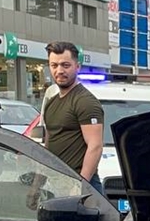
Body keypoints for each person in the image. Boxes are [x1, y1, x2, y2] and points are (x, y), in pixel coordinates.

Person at [42, 42, 104, 195]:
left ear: (77, 67)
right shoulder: (51, 102)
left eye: (65, 65)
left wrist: (79, 187)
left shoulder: (85, 101)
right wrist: (37, 184)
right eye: (54, 65)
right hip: (56, 183)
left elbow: (95, 147)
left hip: (80, 184)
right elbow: (48, 146)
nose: (59, 70)